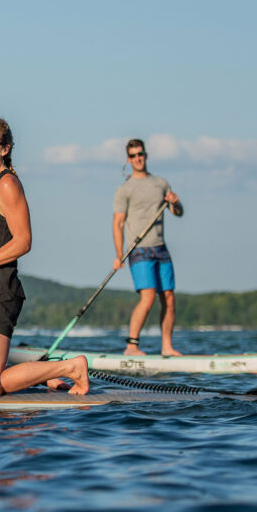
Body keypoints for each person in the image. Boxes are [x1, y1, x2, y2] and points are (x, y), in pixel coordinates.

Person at [0, 116, 89, 395]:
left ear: (5, 148)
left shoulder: (7, 184)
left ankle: (70, 367)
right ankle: (41, 374)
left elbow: (24, 241)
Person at [112, 138, 184, 356]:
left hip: (161, 248)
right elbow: (118, 223)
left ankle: (167, 347)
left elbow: (178, 213)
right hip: (139, 250)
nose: (138, 158)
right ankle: (131, 346)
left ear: (146, 155)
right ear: (128, 159)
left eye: (140, 154)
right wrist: (119, 255)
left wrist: (175, 202)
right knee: (148, 297)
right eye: (133, 155)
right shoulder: (124, 190)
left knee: (169, 298)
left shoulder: (161, 183)